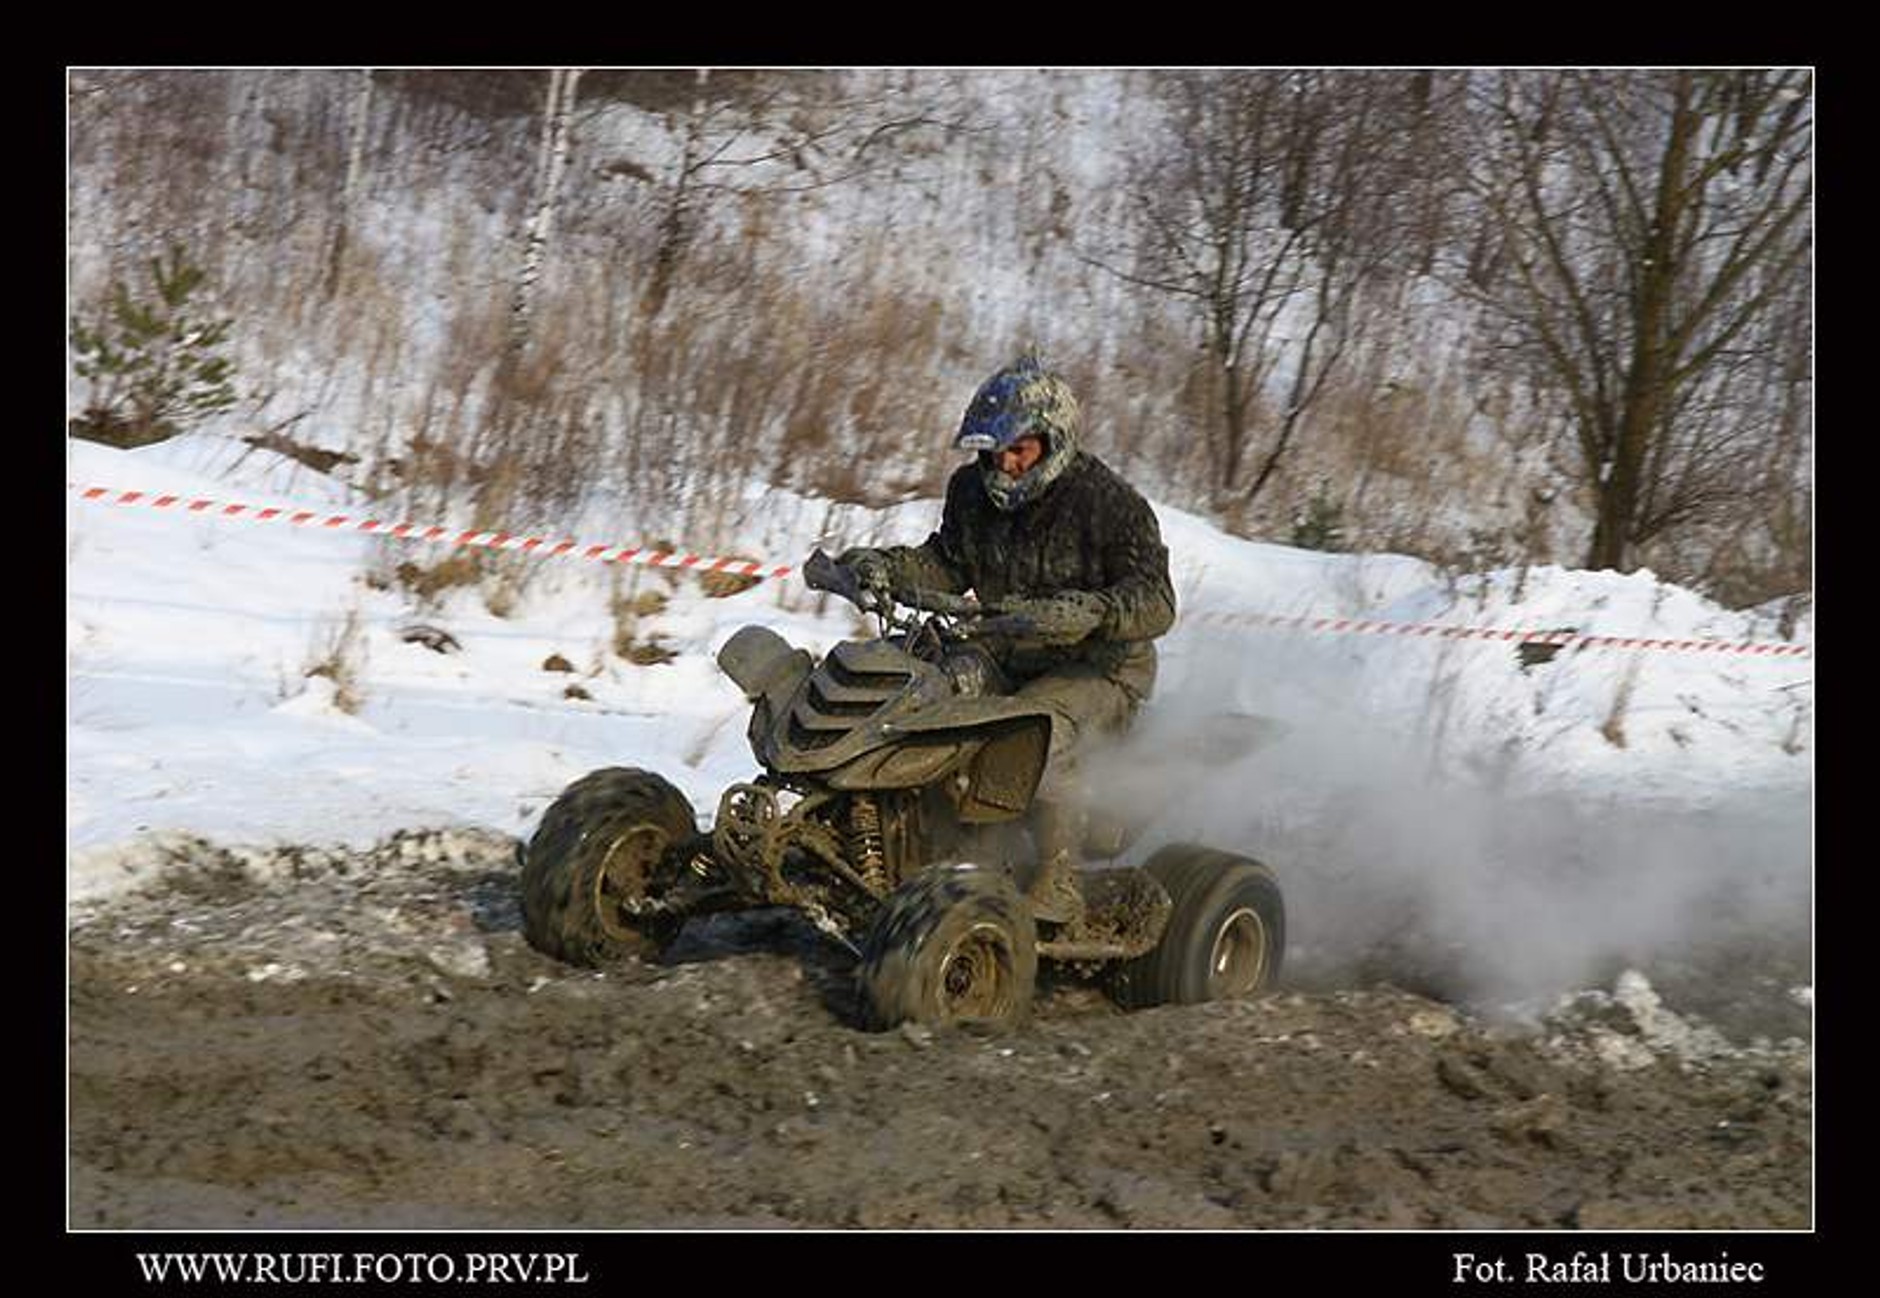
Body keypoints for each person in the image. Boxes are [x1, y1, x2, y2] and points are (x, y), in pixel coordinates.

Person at [835, 354, 1177, 925]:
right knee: (924, 694)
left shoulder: (1110, 506)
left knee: (1031, 729)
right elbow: (946, 564)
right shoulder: (971, 492)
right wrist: (884, 568)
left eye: (1019, 450)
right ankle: (917, 840)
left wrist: (1092, 612)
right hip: (1006, 647)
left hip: (1100, 667)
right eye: (994, 452)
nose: (1005, 465)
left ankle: (1060, 878)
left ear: (1054, 441)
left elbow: (1159, 601)